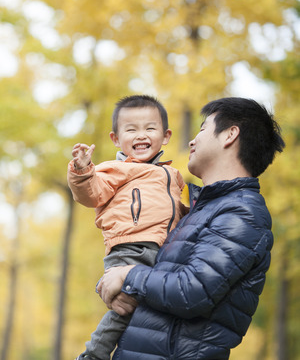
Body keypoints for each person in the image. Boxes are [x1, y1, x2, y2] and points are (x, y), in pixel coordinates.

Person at [98, 97, 285, 360]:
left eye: (203, 129)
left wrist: (128, 275)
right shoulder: (199, 211)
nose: (192, 141)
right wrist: (111, 283)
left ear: (230, 134)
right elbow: (147, 267)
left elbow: (191, 292)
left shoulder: (242, 213)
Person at [67, 95, 187, 360]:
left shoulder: (173, 176)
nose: (140, 135)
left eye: (150, 128)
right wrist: (83, 170)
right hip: (129, 248)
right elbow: (91, 194)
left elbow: (175, 212)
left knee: (153, 308)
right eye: (131, 129)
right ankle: (93, 354)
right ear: (116, 139)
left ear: (165, 135)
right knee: (126, 307)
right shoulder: (115, 169)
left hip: (162, 251)